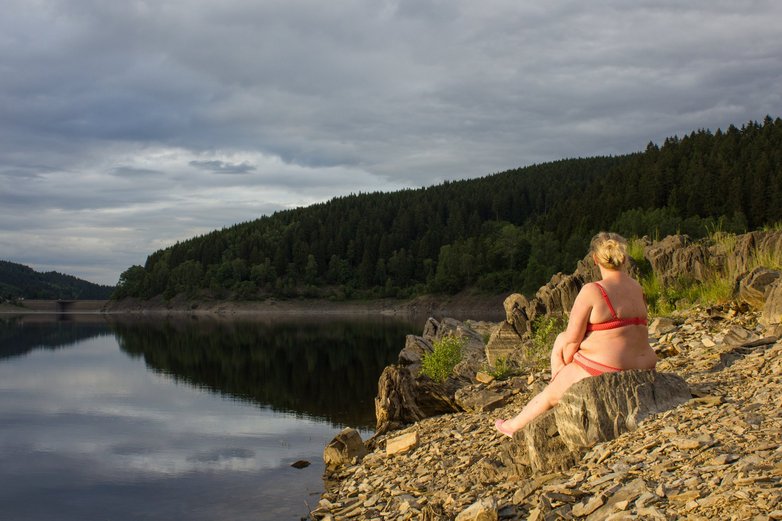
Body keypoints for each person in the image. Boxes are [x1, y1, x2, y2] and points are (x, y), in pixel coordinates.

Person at [494, 232, 658, 437]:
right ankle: (561, 385)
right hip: (645, 364)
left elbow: (572, 340)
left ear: (595, 259)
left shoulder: (594, 290)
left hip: (611, 367)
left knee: (560, 352)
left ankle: (514, 424)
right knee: (562, 339)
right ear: (624, 258)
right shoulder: (637, 288)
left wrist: (566, 369)